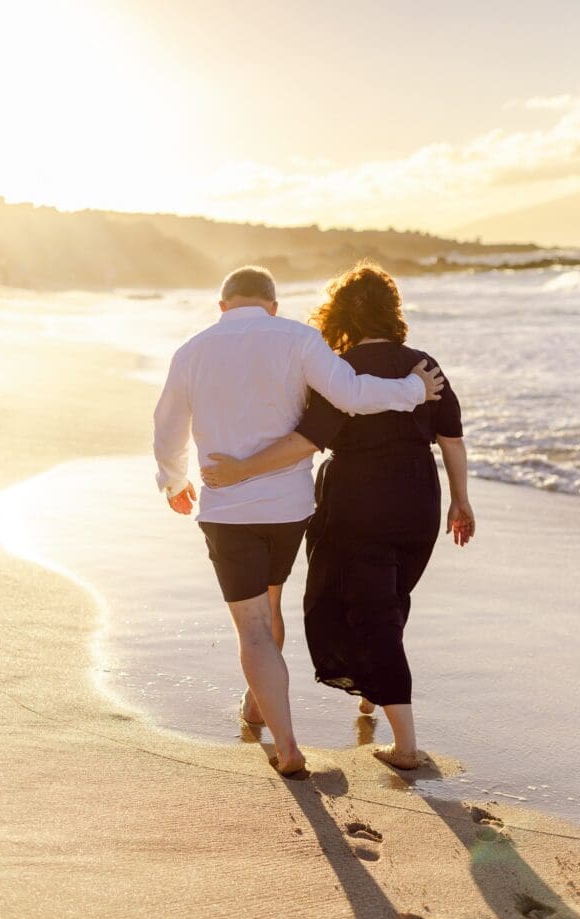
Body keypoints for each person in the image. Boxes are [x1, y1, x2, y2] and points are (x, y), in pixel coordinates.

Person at [154, 265, 444, 776]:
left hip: (229, 509)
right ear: (273, 305)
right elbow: (353, 395)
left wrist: (174, 482)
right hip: (290, 510)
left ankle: (287, 746)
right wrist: (414, 391)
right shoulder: (299, 339)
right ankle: (254, 703)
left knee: (253, 628)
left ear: (222, 307)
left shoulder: (193, 349)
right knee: (271, 603)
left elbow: (168, 424)